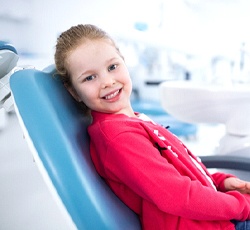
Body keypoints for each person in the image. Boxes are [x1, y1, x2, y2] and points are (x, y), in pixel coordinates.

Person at [54, 24, 250, 230]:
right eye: (89, 78)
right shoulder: (119, 138)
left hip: (213, 219)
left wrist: (219, 182)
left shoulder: (132, 121)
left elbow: (180, 171)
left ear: (124, 62)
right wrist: (243, 205)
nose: (108, 81)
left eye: (112, 67)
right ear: (74, 92)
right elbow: (178, 196)